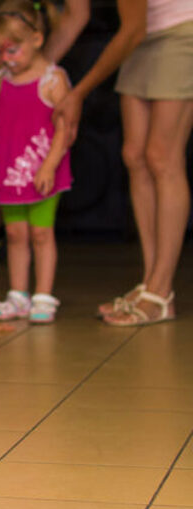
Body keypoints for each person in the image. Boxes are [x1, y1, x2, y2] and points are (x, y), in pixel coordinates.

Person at [0, 0, 73, 324]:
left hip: (41, 171)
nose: (7, 58)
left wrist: (49, 165)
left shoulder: (53, 81)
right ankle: (18, 294)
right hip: (9, 171)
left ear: (37, 40)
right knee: (15, 233)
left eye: (13, 50)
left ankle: (43, 293)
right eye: (1, 52)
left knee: (41, 234)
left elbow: (65, 128)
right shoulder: (2, 80)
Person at [95, 1, 192, 326]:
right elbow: (73, 15)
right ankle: (150, 280)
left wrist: (78, 92)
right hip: (143, 34)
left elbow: (130, 29)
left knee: (162, 156)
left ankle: (161, 292)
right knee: (134, 154)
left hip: (182, 30)